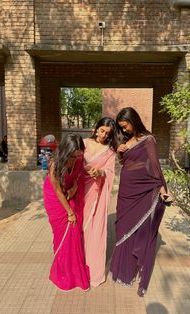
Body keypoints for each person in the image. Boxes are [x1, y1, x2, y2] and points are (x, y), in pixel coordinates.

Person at [110, 107, 172, 297]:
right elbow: (125, 163)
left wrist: (163, 190)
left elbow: (154, 166)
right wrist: (120, 152)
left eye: (126, 125)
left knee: (139, 231)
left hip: (142, 191)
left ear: (133, 120)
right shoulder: (127, 141)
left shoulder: (148, 139)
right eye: (122, 128)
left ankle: (135, 269)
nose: (126, 130)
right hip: (125, 192)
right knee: (123, 229)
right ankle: (123, 270)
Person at [43, 133, 90, 291]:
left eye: (79, 153)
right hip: (55, 199)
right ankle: (62, 272)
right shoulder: (54, 164)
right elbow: (56, 189)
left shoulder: (78, 159)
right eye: (73, 154)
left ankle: (74, 272)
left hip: (69, 192)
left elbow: (78, 176)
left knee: (75, 231)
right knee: (62, 233)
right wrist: (69, 211)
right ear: (66, 150)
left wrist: (75, 187)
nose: (76, 157)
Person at [83, 117, 117, 287]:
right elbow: (73, 163)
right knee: (78, 228)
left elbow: (110, 171)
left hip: (95, 193)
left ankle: (91, 269)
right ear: (97, 128)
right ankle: (77, 266)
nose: (103, 135)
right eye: (102, 130)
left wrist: (101, 172)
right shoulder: (83, 143)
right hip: (79, 190)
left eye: (107, 133)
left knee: (94, 231)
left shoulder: (109, 151)